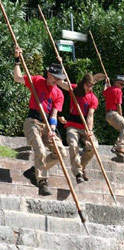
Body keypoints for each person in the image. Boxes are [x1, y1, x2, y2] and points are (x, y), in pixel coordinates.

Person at [14, 46, 67, 196]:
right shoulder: (37, 81)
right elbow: (17, 78)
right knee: (41, 150)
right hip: (32, 122)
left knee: (61, 152)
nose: (57, 81)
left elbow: (54, 114)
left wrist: (51, 128)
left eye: (59, 79)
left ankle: (34, 171)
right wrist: (17, 60)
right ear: (48, 74)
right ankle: (42, 182)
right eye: (55, 77)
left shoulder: (59, 93)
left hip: (47, 125)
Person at [57, 73, 98, 184]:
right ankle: (78, 173)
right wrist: (62, 73)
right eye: (88, 85)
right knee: (73, 145)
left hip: (84, 127)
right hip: (72, 125)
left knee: (93, 146)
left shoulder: (93, 98)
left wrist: (89, 131)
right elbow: (61, 83)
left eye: (91, 86)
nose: (89, 88)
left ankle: (82, 166)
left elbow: (90, 115)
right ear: (83, 83)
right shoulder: (75, 89)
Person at [103, 75, 124, 155]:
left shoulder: (109, 89)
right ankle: (119, 147)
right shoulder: (118, 91)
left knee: (123, 130)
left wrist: (106, 83)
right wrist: (121, 116)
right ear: (117, 82)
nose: (122, 86)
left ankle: (117, 147)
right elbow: (118, 105)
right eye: (121, 84)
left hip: (108, 115)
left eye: (123, 85)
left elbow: (105, 91)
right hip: (114, 113)